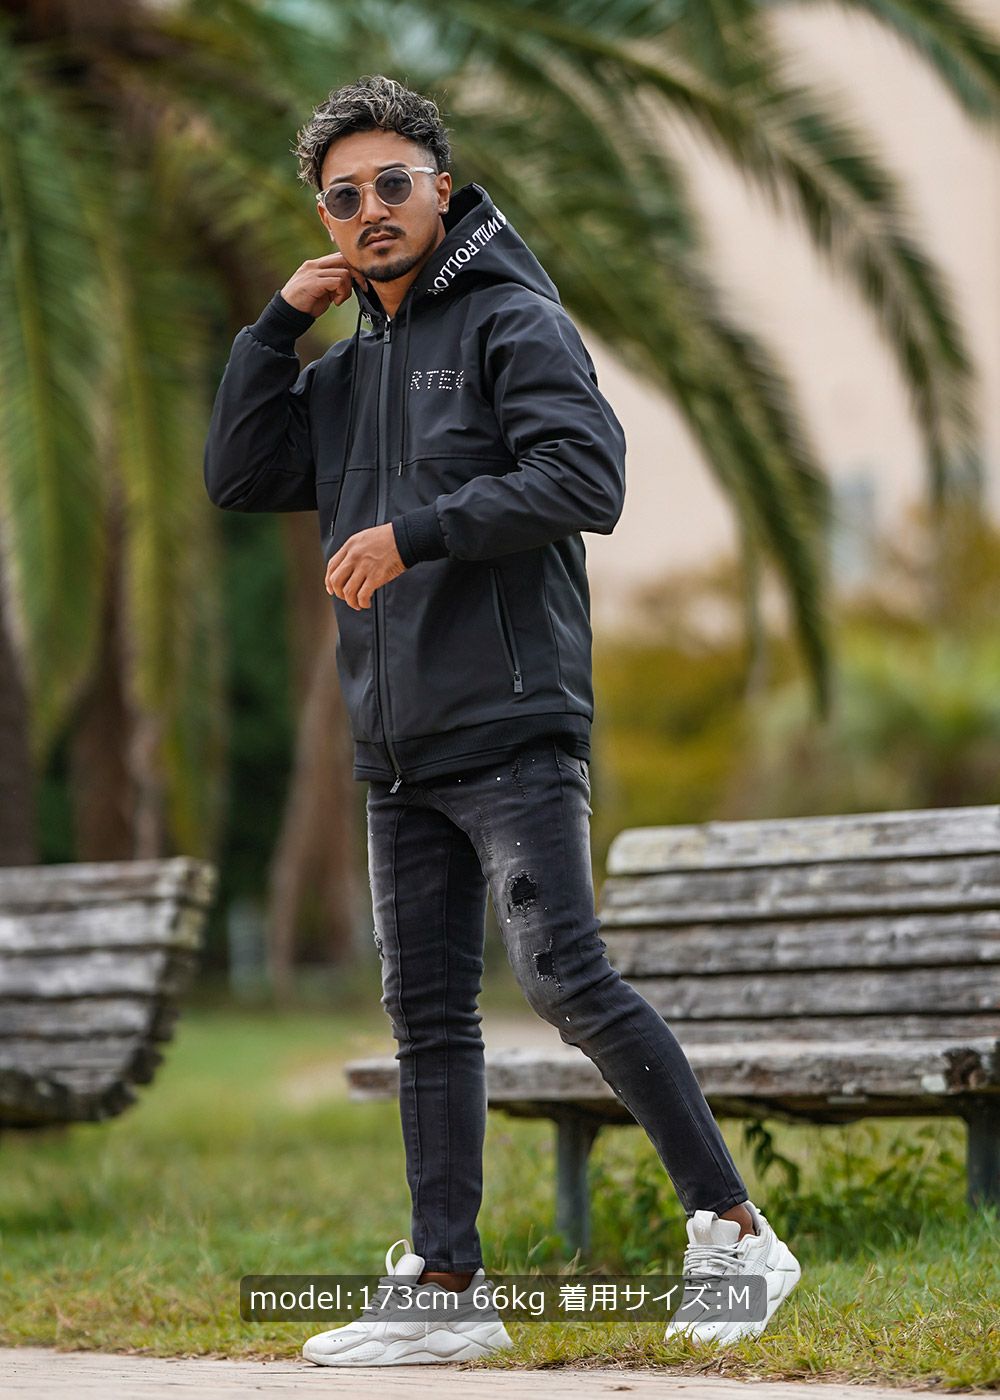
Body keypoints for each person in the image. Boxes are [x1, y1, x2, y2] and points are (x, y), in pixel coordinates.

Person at [203, 73, 800, 1367]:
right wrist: (278, 323)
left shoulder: (512, 321)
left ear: (442, 187)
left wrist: (414, 533)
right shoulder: (350, 369)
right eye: (343, 197)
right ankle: (447, 1287)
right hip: (398, 744)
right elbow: (239, 472)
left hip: (514, 720)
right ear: (324, 217)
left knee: (565, 977)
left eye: (393, 184)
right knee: (426, 1014)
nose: (371, 210)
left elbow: (586, 477)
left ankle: (736, 1232)